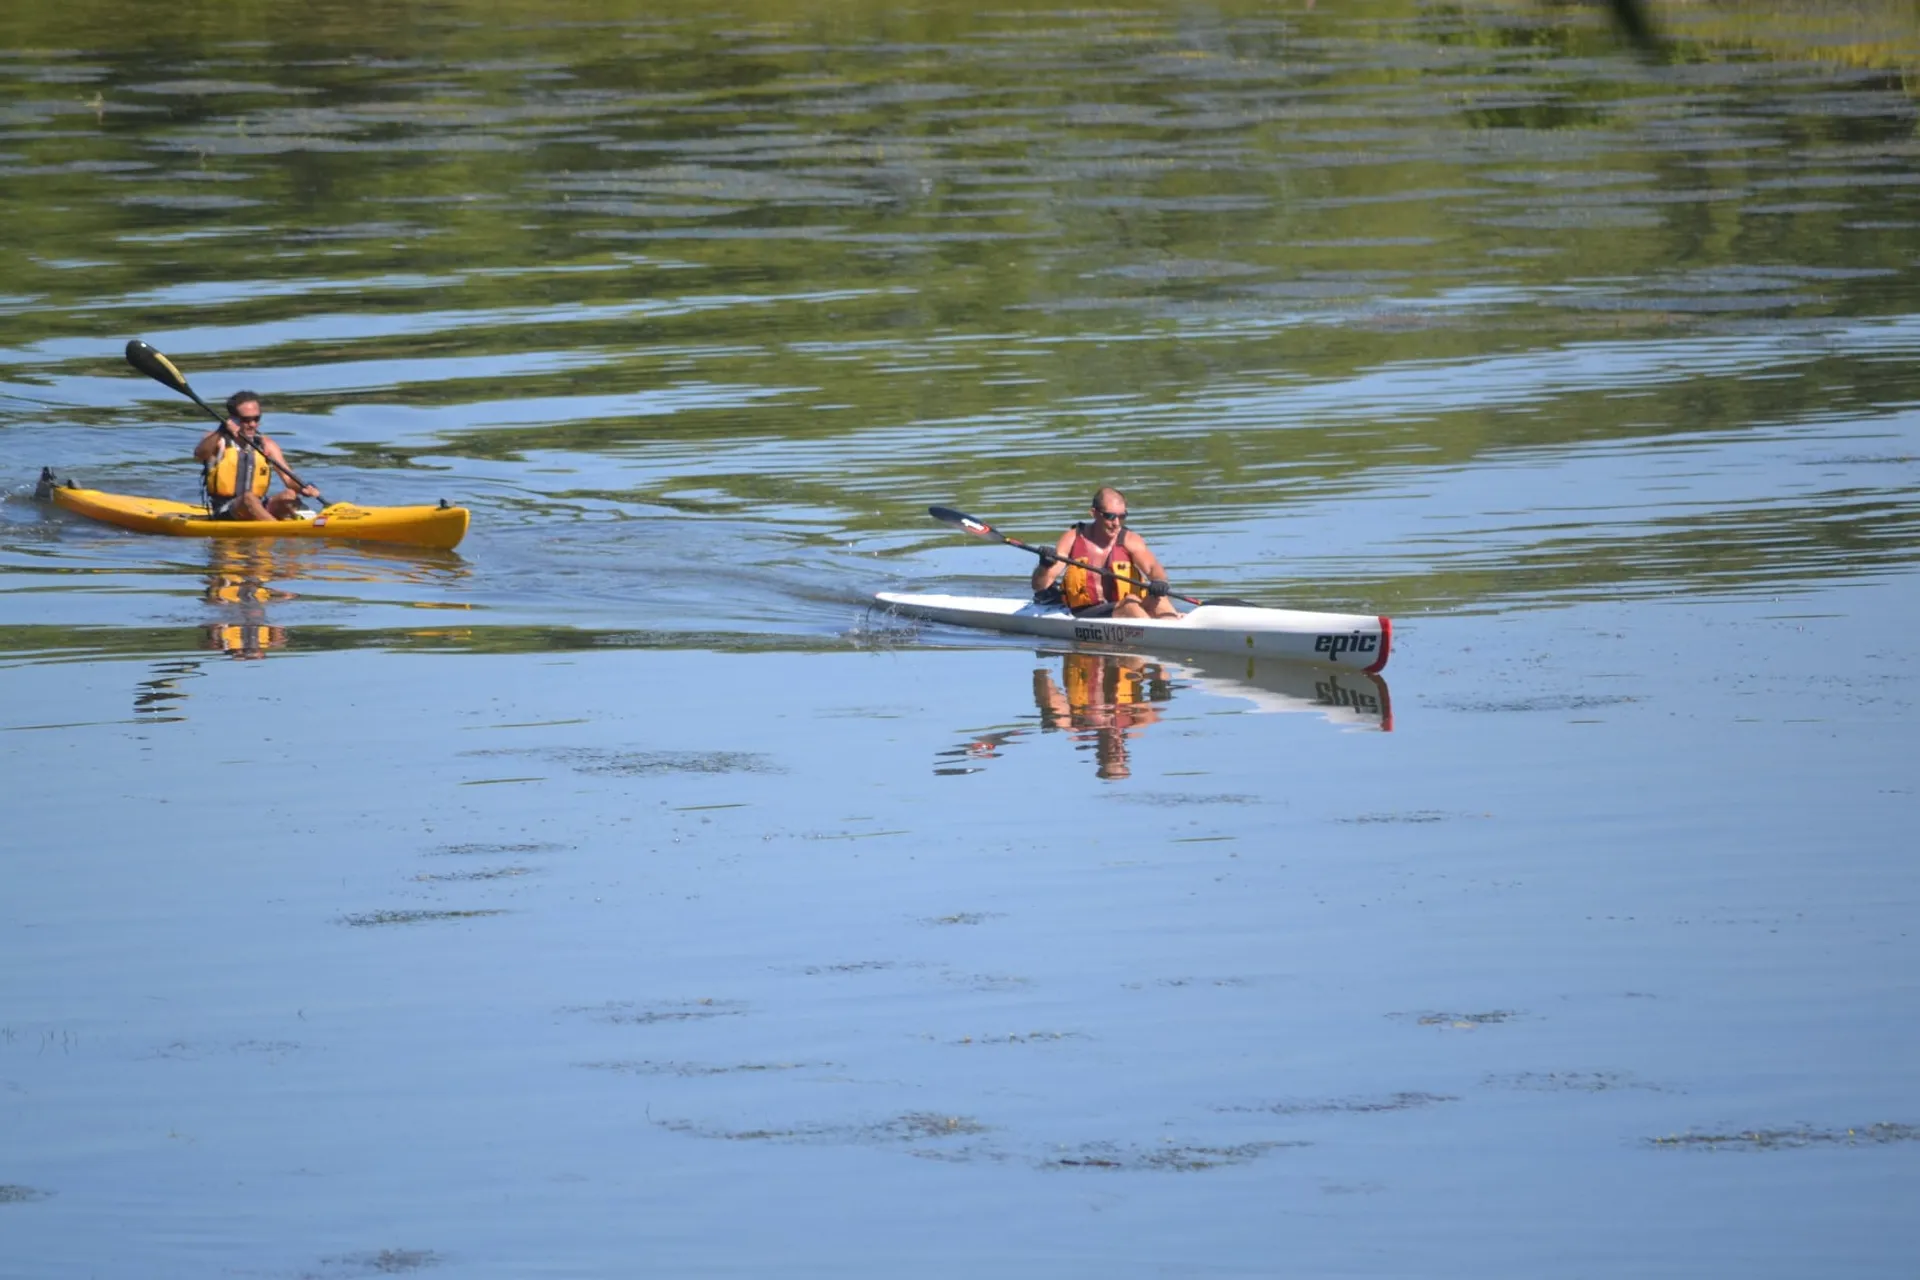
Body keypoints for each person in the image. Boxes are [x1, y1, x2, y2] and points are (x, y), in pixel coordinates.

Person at [1030, 486, 1180, 619]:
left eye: (1122, 517)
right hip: (1087, 612)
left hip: (1125, 607)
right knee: (1130, 604)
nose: (1116, 523)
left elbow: (1153, 567)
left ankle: (1176, 632)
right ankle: (1155, 636)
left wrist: (1160, 581)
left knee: (1160, 599)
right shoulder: (1073, 538)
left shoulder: (1130, 539)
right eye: (1110, 516)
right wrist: (1045, 565)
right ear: (1094, 513)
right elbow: (1041, 585)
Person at [192, 391, 318, 520]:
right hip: (225, 509)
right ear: (233, 419)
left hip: (258, 504)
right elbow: (200, 455)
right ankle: (276, 531)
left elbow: (288, 479)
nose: (252, 424)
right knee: (248, 498)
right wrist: (221, 429)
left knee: (289, 495)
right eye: (246, 420)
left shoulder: (266, 444)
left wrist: (304, 488)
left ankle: (311, 522)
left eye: (256, 419)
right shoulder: (218, 440)